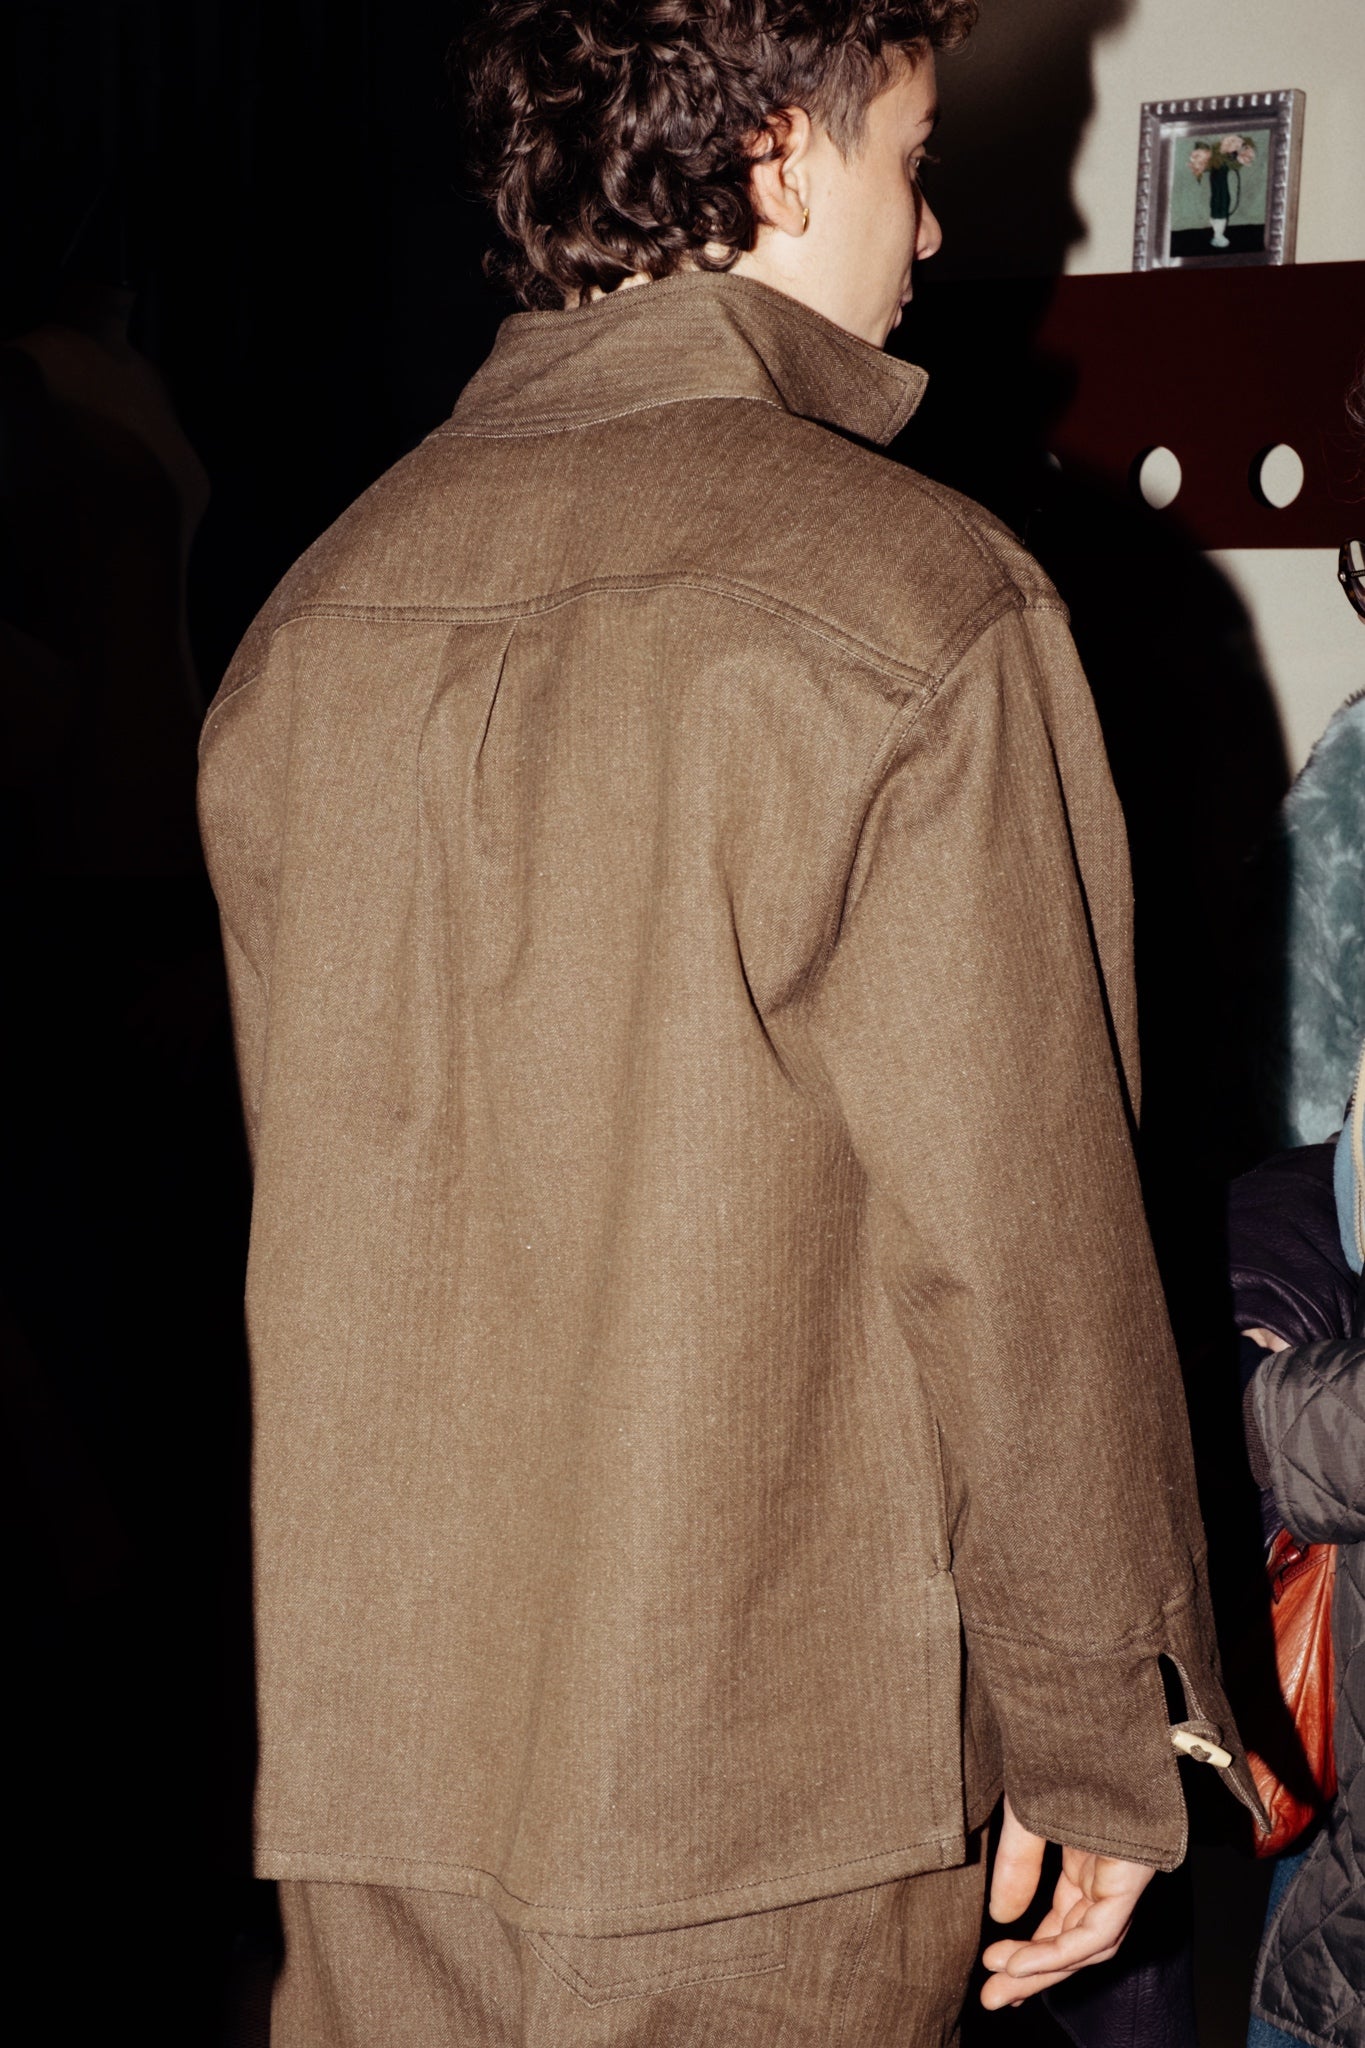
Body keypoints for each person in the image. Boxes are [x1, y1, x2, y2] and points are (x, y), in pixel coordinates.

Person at [197, 4, 1261, 2040]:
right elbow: (1020, 1262)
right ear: (779, 151)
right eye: (913, 161)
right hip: (769, 1796)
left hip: (375, 1780)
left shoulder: (309, 627)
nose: (929, 233)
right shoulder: (914, 609)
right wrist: (1096, 1729)